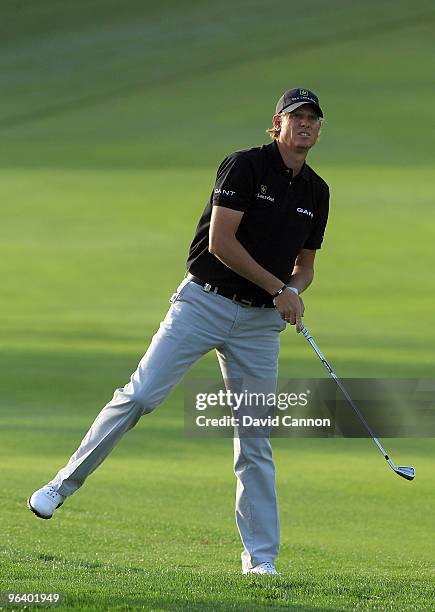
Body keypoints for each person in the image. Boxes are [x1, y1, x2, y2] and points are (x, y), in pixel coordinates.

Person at [28, 87, 329, 576]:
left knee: (254, 439)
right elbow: (220, 242)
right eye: (297, 117)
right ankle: (60, 486)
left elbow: (306, 265)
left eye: (314, 119)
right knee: (141, 395)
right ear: (277, 124)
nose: (306, 125)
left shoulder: (317, 192)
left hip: (258, 325)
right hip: (204, 302)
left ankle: (261, 561)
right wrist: (281, 288)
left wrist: (293, 292)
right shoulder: (244, 166)